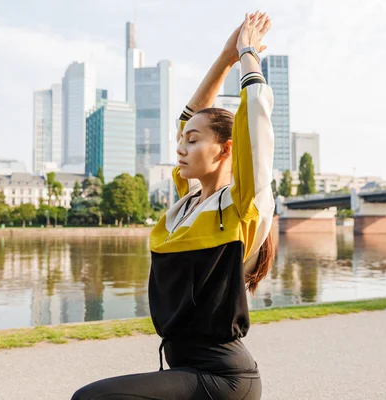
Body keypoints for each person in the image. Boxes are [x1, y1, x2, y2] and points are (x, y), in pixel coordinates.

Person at [72, 11, 275, 400]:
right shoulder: (186, 206)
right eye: (182, 140)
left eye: (193, 141)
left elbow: (257, 121)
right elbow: (190, 116)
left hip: (222, 376)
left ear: (225, 149)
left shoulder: (241, 206)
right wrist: (224, 58)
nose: (181, 148)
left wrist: (248, 53)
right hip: (187, 368)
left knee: (92, 398)